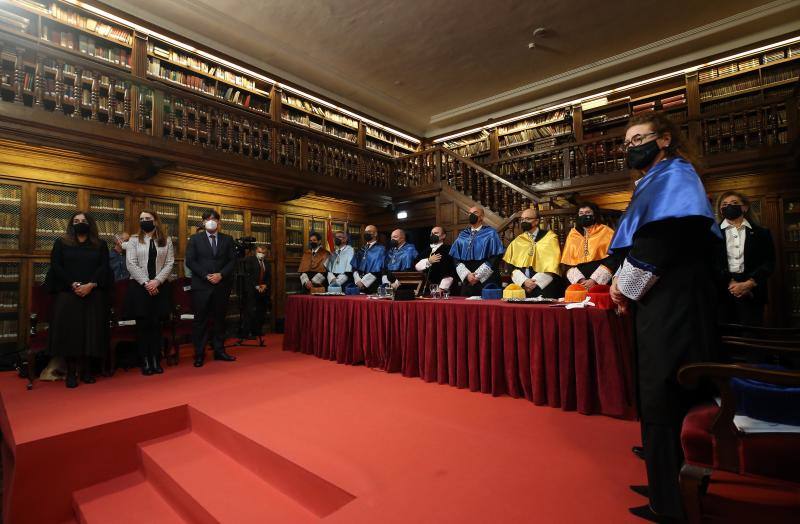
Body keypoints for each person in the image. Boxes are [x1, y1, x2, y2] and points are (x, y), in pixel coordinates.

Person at [608, 112, 721, 522]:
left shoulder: (674, 175)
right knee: (659, 394)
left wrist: (624, 287)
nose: (631, 147)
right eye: (626, 142)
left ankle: (670, 501)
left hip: (674, 305)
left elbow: (661, 242)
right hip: (662, 301)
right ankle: (666, 482)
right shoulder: (655, 180)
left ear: (664, 139)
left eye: (638, 138)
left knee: (665, 394)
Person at [47, 212, 110, 388]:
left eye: (83, 221)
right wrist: (72, 284)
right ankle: (71, 372)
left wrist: (91, 284)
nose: (80, 223)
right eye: (76, 221)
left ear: (90, 224)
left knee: (91, 332)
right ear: (71, 224)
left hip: (93, 293)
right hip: (69, 293)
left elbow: (104, 267)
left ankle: (87, 371)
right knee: (70, 333)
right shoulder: (61, 243)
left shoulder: (100, 244)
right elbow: (56, 265)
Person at [125, 210, 175, 375]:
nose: (144, 221)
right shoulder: (133, 240)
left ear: (155, 221)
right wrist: (147, 283)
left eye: (148, 218)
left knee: (156, 325)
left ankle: (155, 359)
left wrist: (157, 281)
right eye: (141, 219)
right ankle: (145, 360)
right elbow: (131, 264)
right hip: (140, 287)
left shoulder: (166, 240)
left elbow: (169, 263)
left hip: (160, 286)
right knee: (143, 325)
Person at [185, 210, 237, 367]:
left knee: (220, 320)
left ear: (219, 222)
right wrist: (205, 275)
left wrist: (221, 274)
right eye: (207, 219)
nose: (211, 221)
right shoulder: (195, 239)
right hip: (202, 285)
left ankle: (219, 350)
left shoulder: (228, 239)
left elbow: (232, 261)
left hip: (221, 285)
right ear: (203, 222)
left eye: (214, 219)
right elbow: (190, 261)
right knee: (200, 321)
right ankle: (199, 354)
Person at [717, 191, 775, 326]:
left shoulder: (762, 233)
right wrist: (730, 283)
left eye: (734, 203)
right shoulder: (713, 233)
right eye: (724, 204)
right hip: (722, 294)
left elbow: (769, 262)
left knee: (752, 334)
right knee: (725, 335)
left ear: (745, 207)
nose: (729, 206)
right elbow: (711, 263)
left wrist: (749, 284)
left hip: (753, 293)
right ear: (720, 210)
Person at [503, 207, 564, 298]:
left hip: (544, 286)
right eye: (522, 219)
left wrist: (534, 283)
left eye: (527, 219)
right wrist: (524, 281)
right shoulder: (517, 241)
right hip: (522, 287)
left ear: (536, 221)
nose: (524, 221)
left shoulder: (550, 238)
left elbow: (553, 264)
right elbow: (511, 267)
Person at [561, 203, 618, 290]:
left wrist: (593, 280)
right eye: (581, 213)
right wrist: (580, 280)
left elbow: (613, 259)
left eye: (588, 213)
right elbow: (567, 262)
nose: (584, 215)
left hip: (600, 279)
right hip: (579, 281)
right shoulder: (573, 234)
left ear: (594, 215)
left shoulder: (606, 231)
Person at [450, 206, 505, 296]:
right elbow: (456, 257)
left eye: (475, 213)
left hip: (486, 280)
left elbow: (495, 257)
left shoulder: (491, 233)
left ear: (482, 217)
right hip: (468, 280)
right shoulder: (463, 234)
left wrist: (477, 276)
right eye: (469, 213)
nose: (471, 215)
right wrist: (467, 275)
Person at [415, 226, 455, 295]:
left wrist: (442, 288)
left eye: (436, 233)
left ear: (443, 236)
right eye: (431, 233)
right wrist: (428, 261)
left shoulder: (448, 250)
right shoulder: (425, 251)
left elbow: (450, 271)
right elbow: (416, 266)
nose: (433, 235)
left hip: (442, 290)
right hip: (426, 289)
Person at [242, 244, 271, 337]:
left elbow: (269, 276)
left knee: (261, 311)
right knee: (250, 311)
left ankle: (257, 330)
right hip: (252, 289)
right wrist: (257, 286)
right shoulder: (250, 260)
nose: (261, 254)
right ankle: (247, 332)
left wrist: (265, 285)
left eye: (263, 253)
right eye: (259, 252)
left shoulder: (267, 263)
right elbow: (249, 275)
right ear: (255, 252)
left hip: (263, 290)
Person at [354, 225, 386, 294]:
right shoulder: (361, 249)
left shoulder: (381, 249)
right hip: (358, 287)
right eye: (365, 232)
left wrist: (363, 282)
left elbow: (378, 269)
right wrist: (358, 281)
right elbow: (354, 267)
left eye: (369, 232)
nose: (366, 234)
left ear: (375, 234)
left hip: (373, 287)